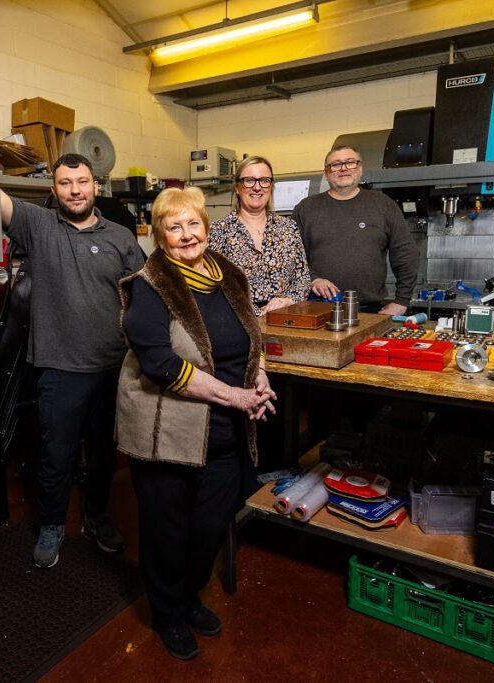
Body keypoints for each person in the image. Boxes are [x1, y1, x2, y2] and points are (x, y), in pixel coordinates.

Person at [0, 127, 145, 569]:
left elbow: (142, 297)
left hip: (113, 367)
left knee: (103, 455)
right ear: (55, 187)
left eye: (82, 182)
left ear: (96, 185)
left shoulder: (121, 237)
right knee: (56, 455)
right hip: (59, 368)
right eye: (65, 183)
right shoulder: (37, 226)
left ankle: (96, 519)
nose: (75, 191)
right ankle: (52, 526)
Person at [117, 186, 276, 660]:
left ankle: (188, 598)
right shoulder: (150, 285)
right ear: (160, 236)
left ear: (206, 227)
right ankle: (167, 613)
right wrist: (238, 396)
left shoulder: (229, 273)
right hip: (167, 431)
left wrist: (260, 378)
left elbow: (253, 332)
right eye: (174, 226)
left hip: (225, 430)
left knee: (209, 525)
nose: (186, 235)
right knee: (167, 530)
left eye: (193, 224)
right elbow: (161, 366)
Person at [293, 145, 419, 315]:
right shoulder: (306, 208)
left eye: (350, 162)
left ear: (360, 168)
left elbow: (405, 253)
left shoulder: (383, 205)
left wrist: (402, 301)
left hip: (369, 310)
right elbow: (292, 256)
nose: (343, 168)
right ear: (326, 172)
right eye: (336, 164)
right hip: (317, 308)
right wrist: (313, 279)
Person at [208, 156, 311, 315]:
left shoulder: (288, 228)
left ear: (271, 186)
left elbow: (302, 279)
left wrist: (287, 301)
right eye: (249, 180)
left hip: (284, 320)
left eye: (264, 180)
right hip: (238, 323)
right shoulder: (218, 231)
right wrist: (255, 313)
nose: (257, 187)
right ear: (237, 187)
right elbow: (212, 286)